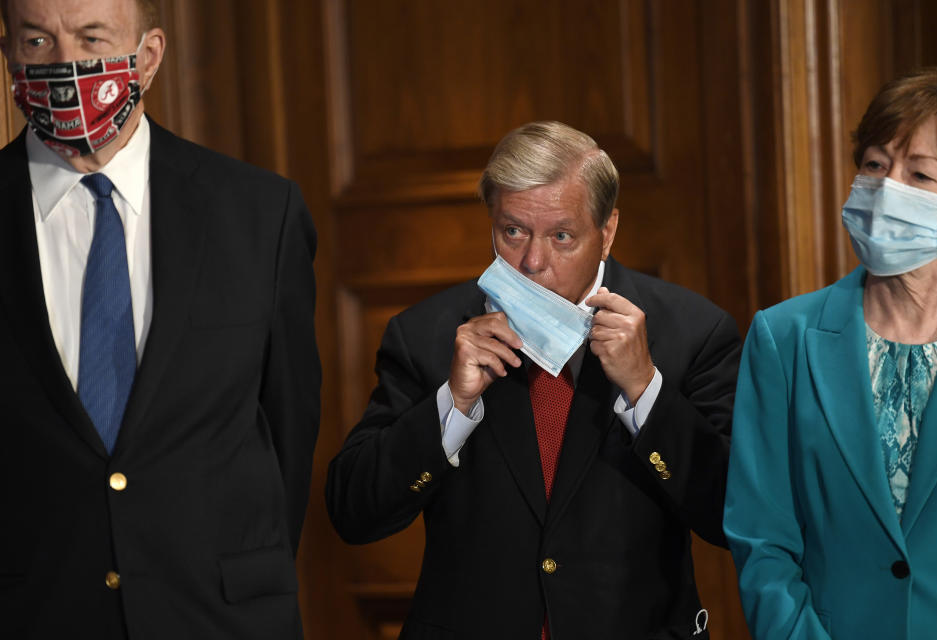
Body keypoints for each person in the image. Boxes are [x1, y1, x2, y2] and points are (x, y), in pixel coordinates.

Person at [326, 121, 741, 639]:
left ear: (607, 231)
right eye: (513, 231)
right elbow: (353, 513)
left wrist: (646, 392)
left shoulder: (693, 332)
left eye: (561, 236)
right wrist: (452, 403)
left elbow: (734, 516)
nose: (532, 263)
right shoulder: (426, 335)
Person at [0, 1, 322, 638]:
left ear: (148, 57)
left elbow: (288, 428)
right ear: (9, 54)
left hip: (221, 615)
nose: (65, 64)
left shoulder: (259, 211)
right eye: (38, 41)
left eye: (91, 38)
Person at [724, 60, 937, 640]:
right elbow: (763, 540)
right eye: (876, 165)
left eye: (920, 176)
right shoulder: (784, 336)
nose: (887, 190)